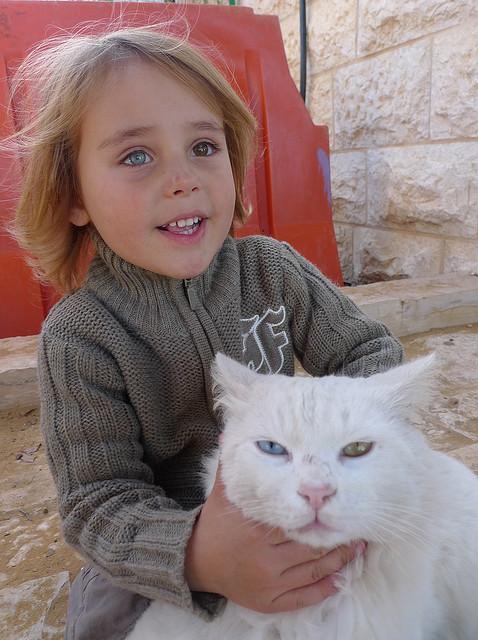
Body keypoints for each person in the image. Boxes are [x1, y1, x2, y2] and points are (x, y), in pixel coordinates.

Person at [7, 24, 403, 639]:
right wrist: (198, 554)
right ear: (74, 195)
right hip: (169, 547)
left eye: (203, 147)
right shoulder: (80, 337)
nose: (182, 179)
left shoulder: (272, 270)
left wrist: (342, 453)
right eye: (136, 155)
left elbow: (368, 352)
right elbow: (98, 504)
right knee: (102, 621)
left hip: (300, 494)